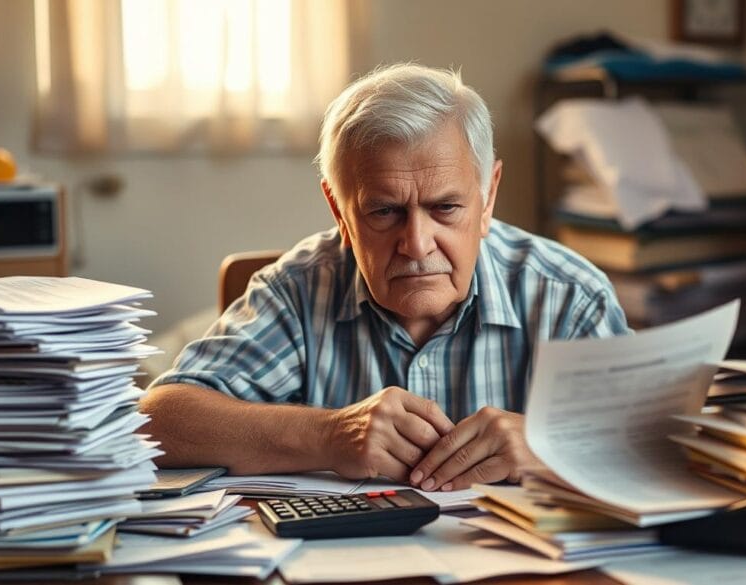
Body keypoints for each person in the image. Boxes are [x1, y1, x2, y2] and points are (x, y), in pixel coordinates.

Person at [141, 63, 630, 493]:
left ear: (489, 197)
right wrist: (329, 435)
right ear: (339, 210)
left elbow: (660, 442)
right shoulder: (297, 291)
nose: (417, 243)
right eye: (384, 211)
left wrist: (552, 447)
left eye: (446, 208)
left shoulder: (569, 297)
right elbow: (157, 419)